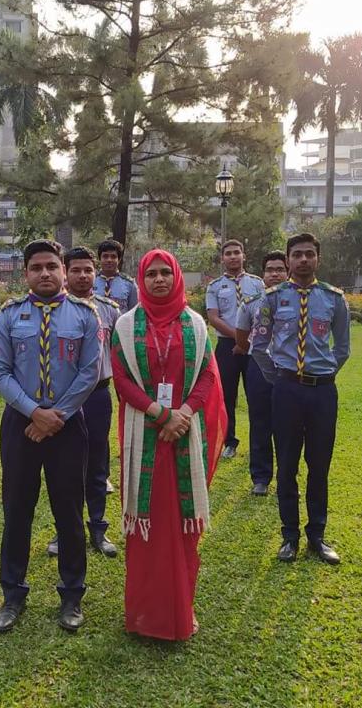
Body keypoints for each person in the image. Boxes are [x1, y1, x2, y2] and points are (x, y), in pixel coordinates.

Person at [111, 249, 226, 640]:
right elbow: (122, 378)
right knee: (147, 527)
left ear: (177, 277)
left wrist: (184, 414)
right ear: (141, 280)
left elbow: (208, 376)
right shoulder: (125, 326)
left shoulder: (195, 324)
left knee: (180, 527)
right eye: (151, 274)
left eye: (165, 273)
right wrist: (162, 414)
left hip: (183, 436)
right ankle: (144, 614)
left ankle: (179, 611)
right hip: (145, 435)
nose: (159, 280)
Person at [0, 239, 101, 634]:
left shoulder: (85, 316)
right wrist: (35, 413)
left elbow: (90, 371)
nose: (45, 273)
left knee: (68, 511)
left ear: (64, 270)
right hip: (21, 424)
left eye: (52, 266)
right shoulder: (9, 315)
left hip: (68, 426)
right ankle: (13, 594)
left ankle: (72, 594)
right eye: (36, 267)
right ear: (26, 273)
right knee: (16, 509)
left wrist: (57, 416)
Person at [239, 232, 349, 565]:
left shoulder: (333, 299)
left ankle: (317, 534)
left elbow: (342, 348)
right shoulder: (271, 298)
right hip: (286, 391)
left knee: (319, 466)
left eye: (309, 254)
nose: (303, 260)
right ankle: (289, 536)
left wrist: (322, 374)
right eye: (297, 255)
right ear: (288, 260)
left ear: (318, 258)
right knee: (286, 465)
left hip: (323, 393)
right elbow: (258, 346)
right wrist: (283, 379)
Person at [45, 246, 121, 559]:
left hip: (98, 396)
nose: (82, 276)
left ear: (95, 273)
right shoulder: (51, 310)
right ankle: (65, 531)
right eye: (75, 270)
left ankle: (98, 528)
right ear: (65, 272)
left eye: (87, 270)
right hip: (63, 399)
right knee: (65, 466)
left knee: (98, 462)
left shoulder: (110, 310)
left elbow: (120, 355)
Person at [233, 251, 288, 495]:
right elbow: (241, 336)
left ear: (288, 272)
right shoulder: (251, 301)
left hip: (290, 368)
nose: (275, 274)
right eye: (270, 270)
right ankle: (261, 477)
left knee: (290, 424)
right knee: (260, 420)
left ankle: (287, 476)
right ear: (262, 274)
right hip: (259, 365)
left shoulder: (299, 299)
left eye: (280, 269)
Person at [205, 239, 264, 461]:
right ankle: (229, 441)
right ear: (222, 259)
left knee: (256, 395)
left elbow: (265, 313)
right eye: (228, 253)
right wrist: (238, 338)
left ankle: (258, 443)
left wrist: (247, 341)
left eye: (236, 252)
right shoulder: (214, 286)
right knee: (226, 396)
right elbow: (213, 317)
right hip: (227, 346)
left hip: (254, 345)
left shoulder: (258, 284)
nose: (232, 256)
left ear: (244, 255)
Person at [93, 239, 138, 313]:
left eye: (113, 257)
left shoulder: (129, 284)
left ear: (119, 259)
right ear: (99, 259)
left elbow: (134, 312)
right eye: (105, 256)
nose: (109, 260)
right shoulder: (91, 282)